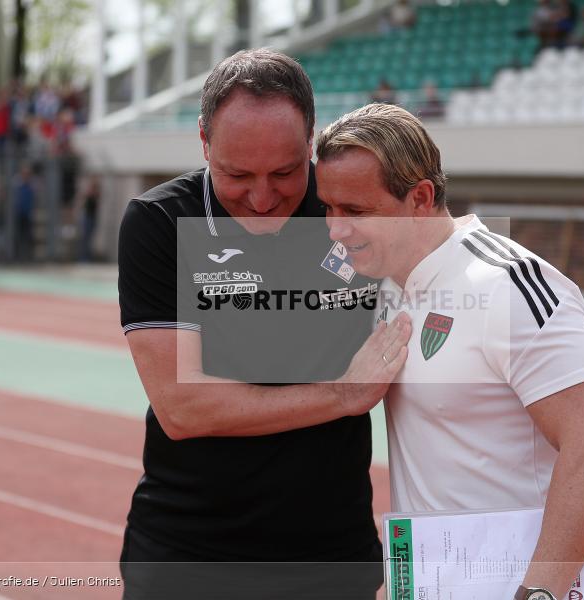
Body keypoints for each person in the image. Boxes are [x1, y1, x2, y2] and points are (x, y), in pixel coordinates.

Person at [117, 49, 410, 600]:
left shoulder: (349, 209)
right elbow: (183, 407)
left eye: (284, 172)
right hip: (188, 555)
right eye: (235, 174)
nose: (261, 198)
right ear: (204, 142)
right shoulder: (159, 223)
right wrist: (343, 393)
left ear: (311, 141)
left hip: (332, 555)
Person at [315, 103, 584, 600]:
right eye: (328, 207)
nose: (334, 229)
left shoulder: (508, 284)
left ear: (419, 198)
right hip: (430, 584)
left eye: (355, 211)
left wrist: (540, 592)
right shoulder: (383, 277)